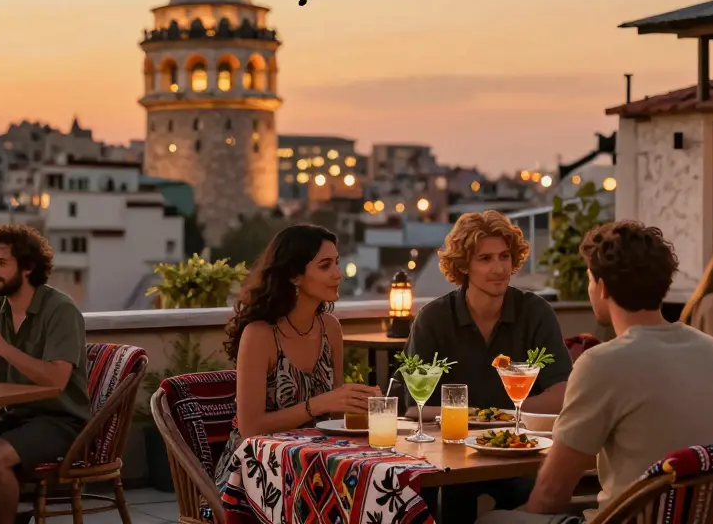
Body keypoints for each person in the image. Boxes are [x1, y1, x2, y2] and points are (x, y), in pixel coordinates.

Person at [481, 221, 713, 523]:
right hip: (710, 516)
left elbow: (551, 494)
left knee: (489, 520)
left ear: (602, 286)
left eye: (590, 279)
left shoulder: (602, 363)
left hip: (634, 519)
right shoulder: (711, 350)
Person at [404, 210, 572, 519]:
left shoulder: (535, 312)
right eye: (485, 259)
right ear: (464, 265)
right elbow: (415, 407)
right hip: (451, 455)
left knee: (535, 495)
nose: (499, 269)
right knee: (444, 498)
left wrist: (504, 418)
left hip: (516, 451)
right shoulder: (434, 319)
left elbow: (564, 393)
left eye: (504, 256)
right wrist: (481, 417)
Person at [214, 224, 380, 483]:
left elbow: (336, 416)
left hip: (318, 463)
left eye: (337, 263)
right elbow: (250, 428)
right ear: (294, 275)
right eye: (325, 266)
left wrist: (360, 405)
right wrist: (320, 404)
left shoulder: (330, 328)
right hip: (257, 471)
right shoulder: (260, 335)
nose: (338, 274)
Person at [0, 224, 89, 524]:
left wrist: (3, 348)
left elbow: (56, 380)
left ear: (28, 267)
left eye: (1, 263)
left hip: (61, 421)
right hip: (14, 416)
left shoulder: (60, 310)